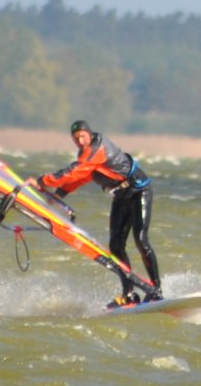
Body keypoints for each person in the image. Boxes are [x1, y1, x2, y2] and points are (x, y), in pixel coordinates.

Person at [34, 119, 162, 305]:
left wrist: (42, 181)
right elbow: (82, 176)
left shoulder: (98, 148)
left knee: (140, 239)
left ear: (89, 134)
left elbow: (74, 172)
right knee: (116, 246)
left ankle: (156, 290)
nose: (80, 141)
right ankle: (129, 294)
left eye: (82, 136)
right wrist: (59, 194)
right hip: (120, 196)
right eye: (76, 139)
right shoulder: (86, 154)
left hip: (139, 191)